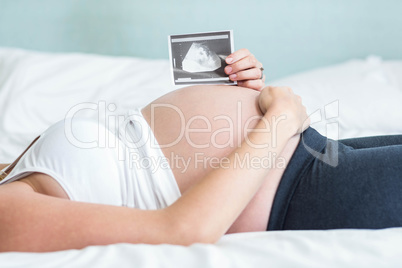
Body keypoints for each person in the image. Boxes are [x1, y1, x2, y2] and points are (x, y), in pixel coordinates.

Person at [0, 49, 401, 253]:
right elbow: (181, 231)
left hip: (307, 152)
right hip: (297, 194)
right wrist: (278, 119)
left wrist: (242, 93)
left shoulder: (9, 173)